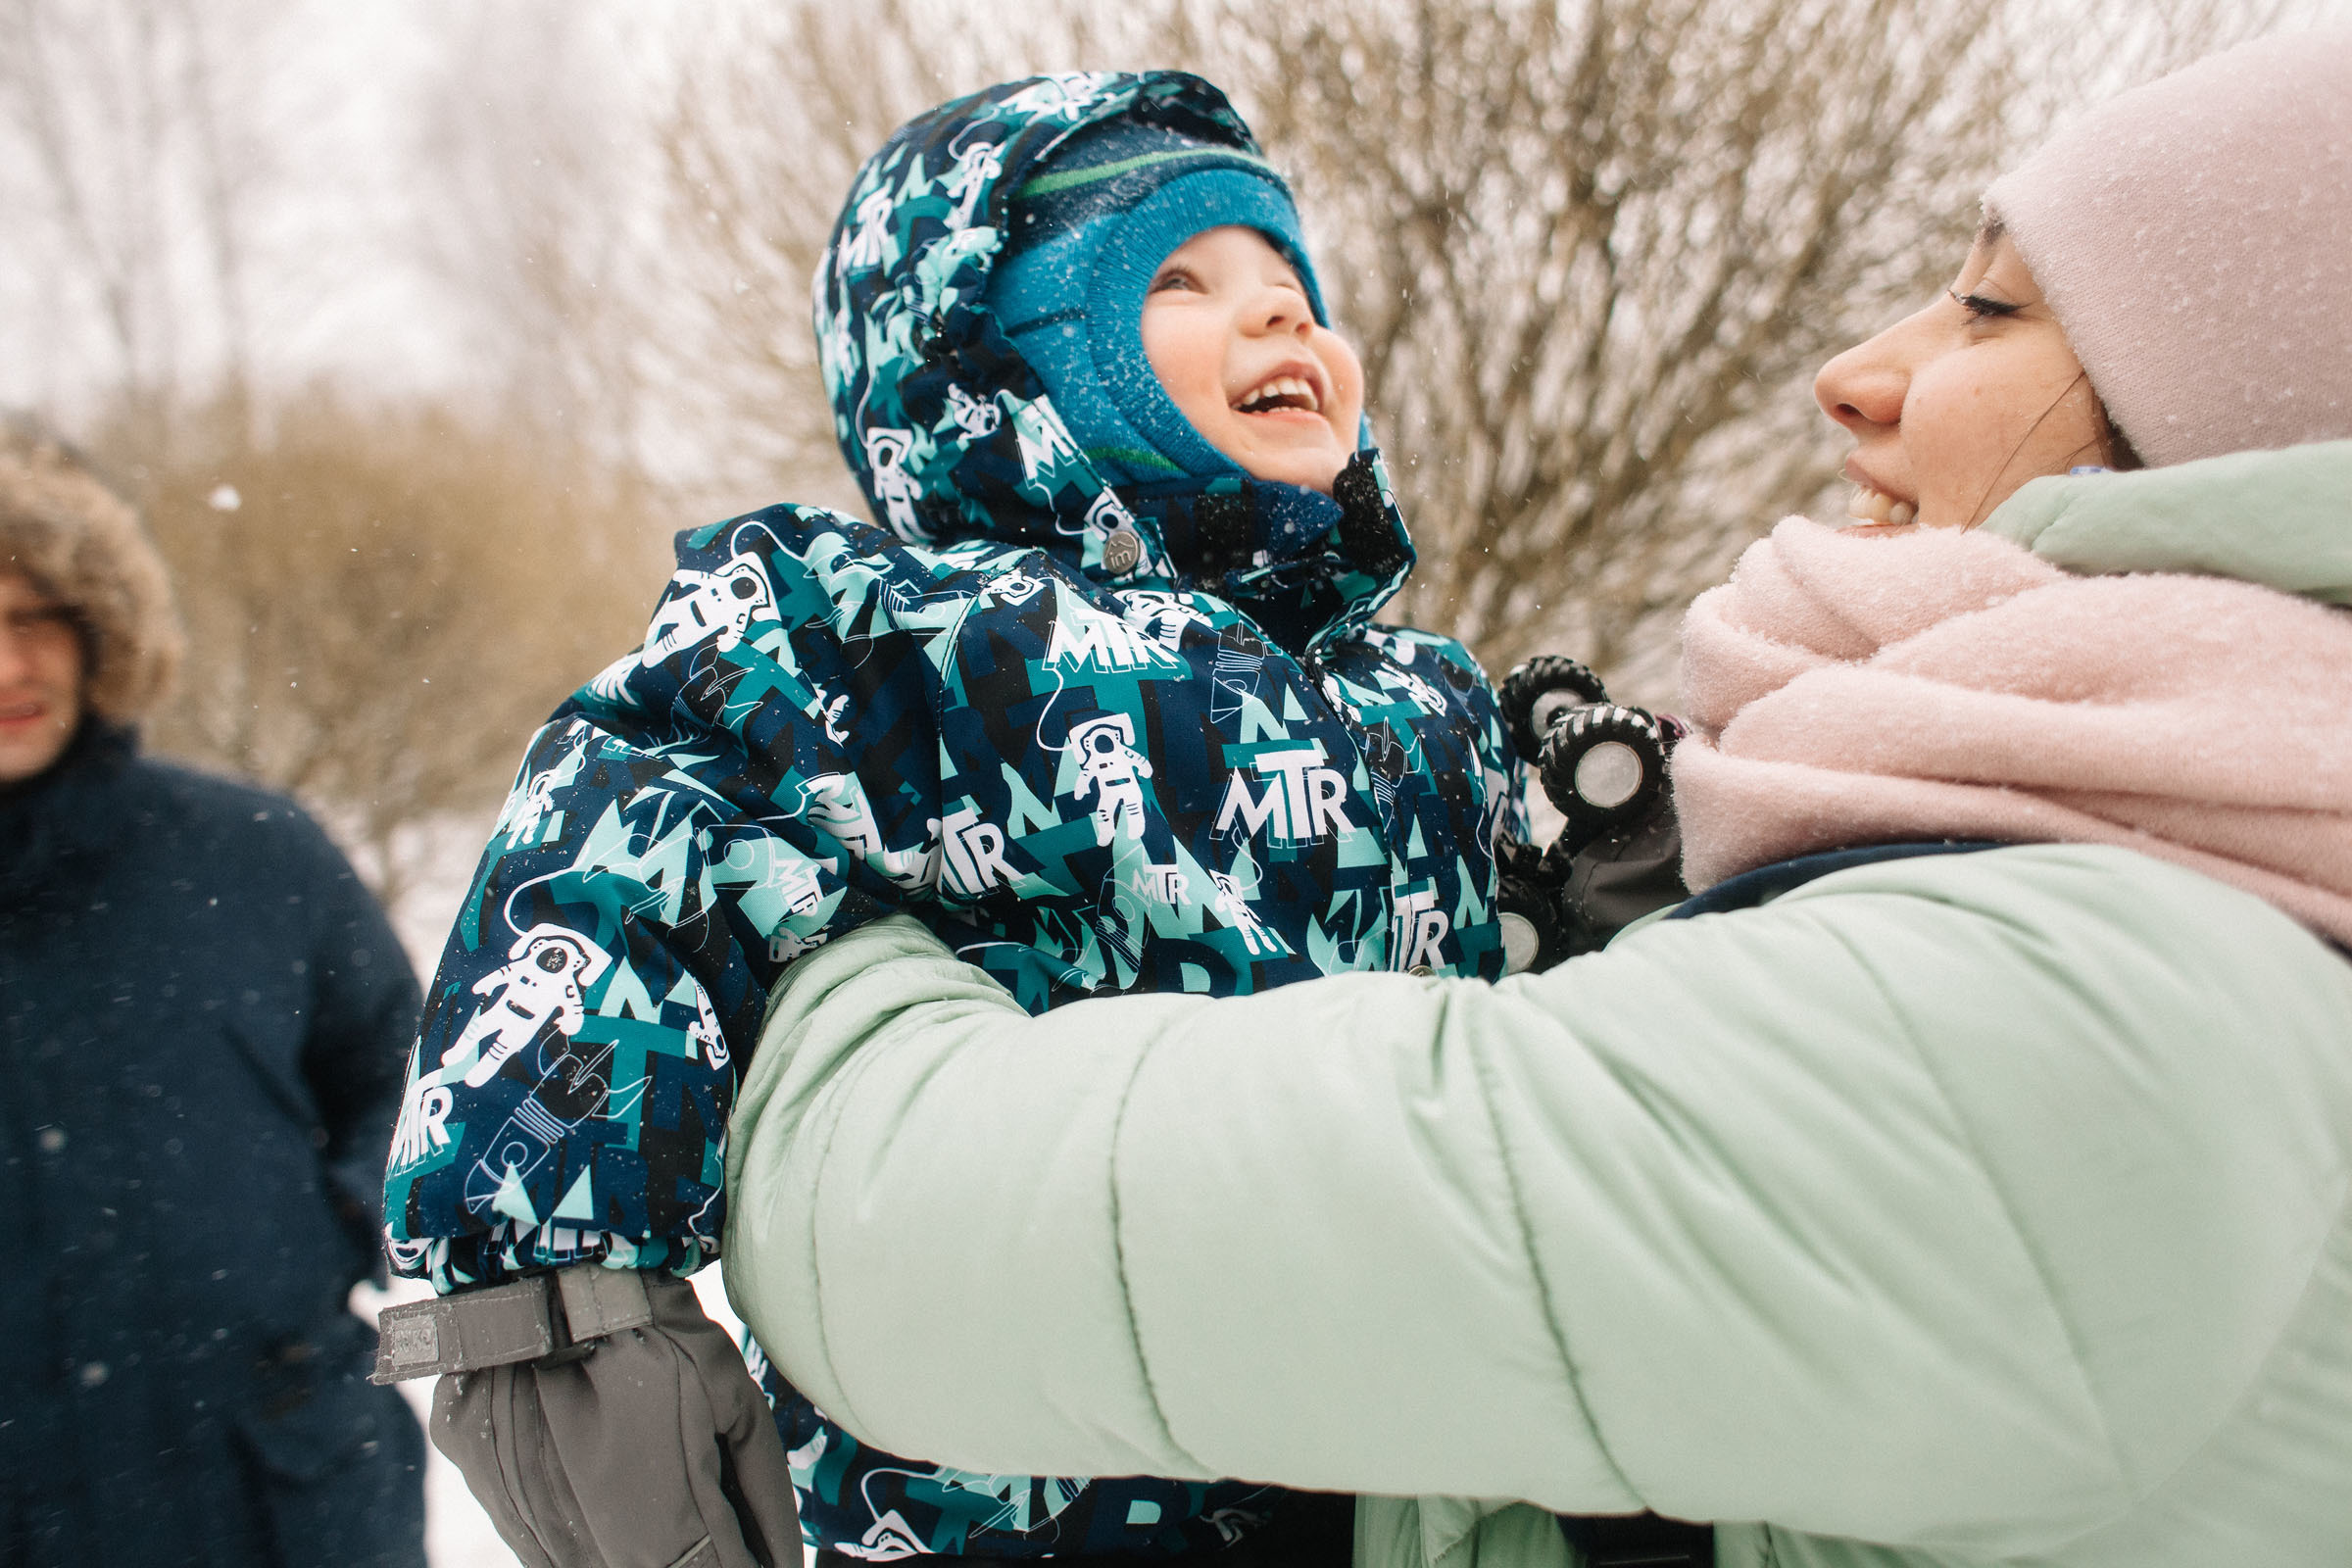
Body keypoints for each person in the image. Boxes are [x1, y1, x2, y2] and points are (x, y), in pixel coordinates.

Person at [720, 28, 2352, 1568]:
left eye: (1994, 316)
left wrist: (807, 909)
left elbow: (907, 1232)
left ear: (2237, 413)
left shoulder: (2103, 1020)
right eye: (1183, 286)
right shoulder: (2214, 885)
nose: (1856, 373)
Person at [382, 70, 1675, 1568]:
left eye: (1291, 283)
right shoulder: (903, 642)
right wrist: (565, 1322)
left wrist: (1585, 907)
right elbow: (617, 870)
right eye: (1181, 279)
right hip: (1008, 1496)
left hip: (1403, 1481)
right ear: (996, 371)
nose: (1280, 318)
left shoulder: (1426, 699)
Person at [0, 428, 425, 1568]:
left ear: (100, 627)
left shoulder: (252, 856)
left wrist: (344, 1214)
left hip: (283, 1496)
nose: (8, 669)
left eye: (33, 618)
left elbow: (413, 1067)